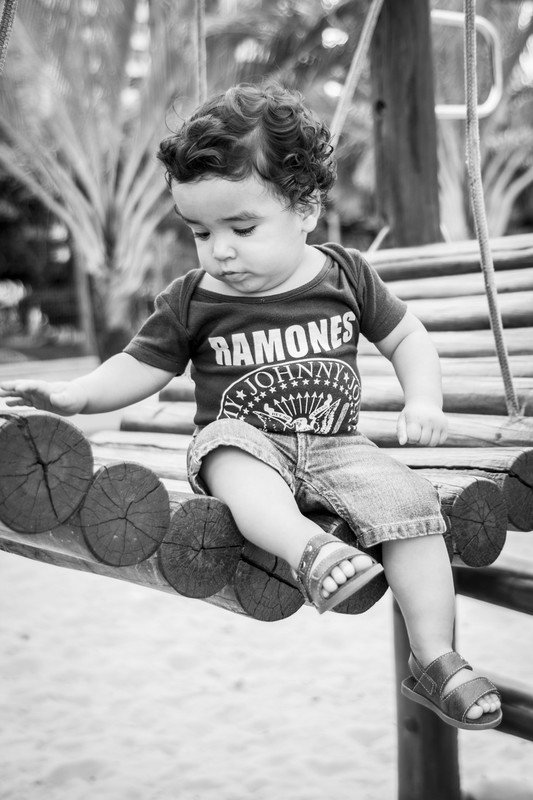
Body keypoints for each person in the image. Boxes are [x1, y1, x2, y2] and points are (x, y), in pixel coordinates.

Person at [0, 82, 501, 731]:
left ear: (305, 209)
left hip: (337, 448)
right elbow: (139, 365)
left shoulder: (345, 274)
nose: (220, 251)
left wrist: (424, 397)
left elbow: (406, 337)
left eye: (240, 227)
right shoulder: (192, 297)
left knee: (414, 509)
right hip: (242, 445)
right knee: (232, 454)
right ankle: (311, 552)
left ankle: (434, 658)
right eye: (200, 232)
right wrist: (76, 394)